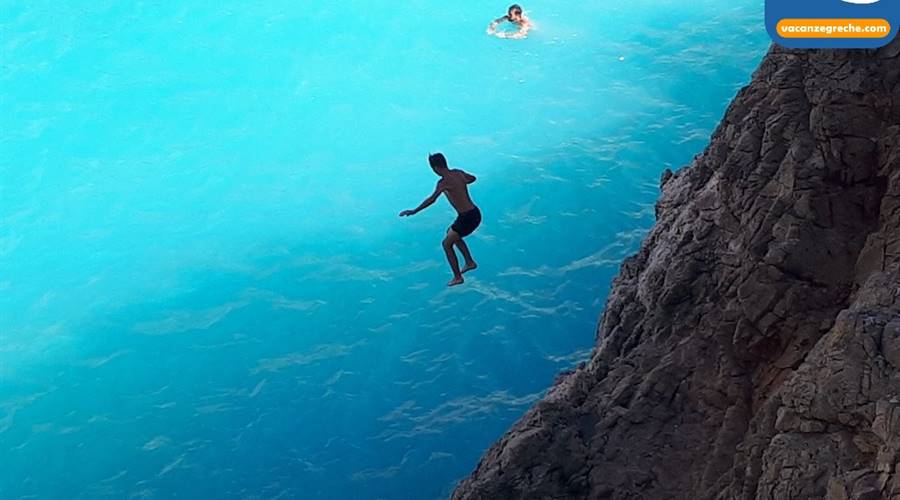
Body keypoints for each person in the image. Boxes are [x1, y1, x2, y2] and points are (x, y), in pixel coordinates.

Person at [400, 153, 482, 287]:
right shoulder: (458, 173)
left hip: (467, 218)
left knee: (446, 244)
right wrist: (462, 183)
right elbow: (472, 178)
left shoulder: (443, 183)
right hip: (475, 213)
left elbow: (432, 200)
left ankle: (457, 277)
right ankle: (469, 262)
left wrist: (414, 211)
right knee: (451, 233)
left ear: (436, 168)